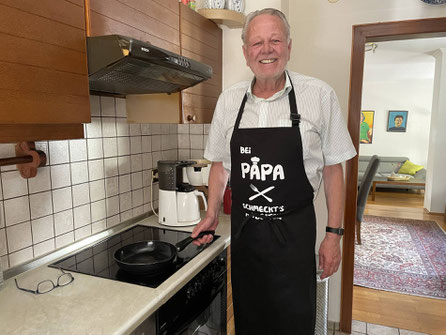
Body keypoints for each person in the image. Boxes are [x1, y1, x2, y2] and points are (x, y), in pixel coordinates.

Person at [191, 8, 356, 334]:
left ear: (289, 47)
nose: (266, 50)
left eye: (275, 40)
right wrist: (211, 211)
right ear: (245, 53)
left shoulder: (319, 96)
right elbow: (220, 165)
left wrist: (333, 236)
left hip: (293, 244)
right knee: (250, 324)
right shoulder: (229, 101)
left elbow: (335, 170)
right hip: (246, 243)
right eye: (257, 43)